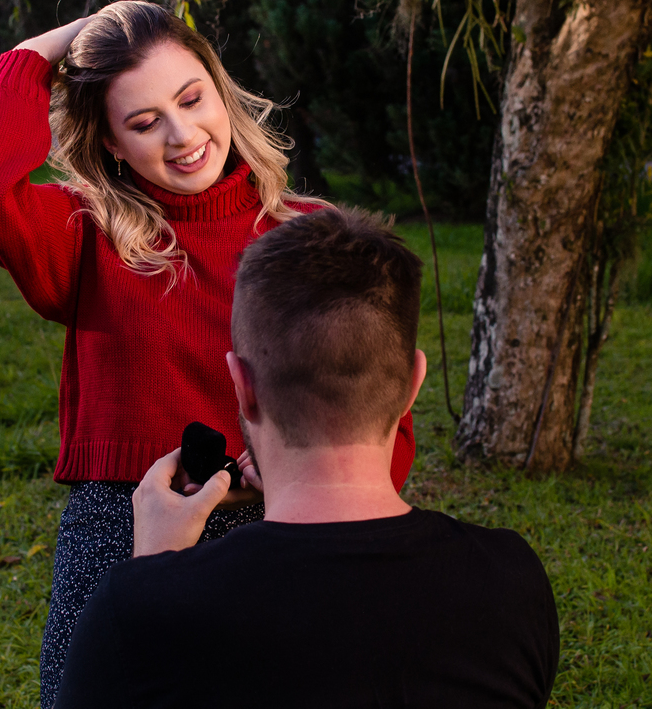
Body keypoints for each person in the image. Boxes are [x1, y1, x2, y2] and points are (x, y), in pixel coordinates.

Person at [0, 1, 418, 707]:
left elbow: (378, 407)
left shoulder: (309, 234)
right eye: (144, 121)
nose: (183, 135)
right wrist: (53, 45)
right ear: (111, 143)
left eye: (191, 100)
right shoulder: (87, 236)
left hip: (283, 523)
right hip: (122, 526)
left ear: (221, 91)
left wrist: (299, 480)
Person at [54, 207, 560, 709]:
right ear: (413, 384)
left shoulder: (139, 607)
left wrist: (151, 576)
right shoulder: (513, 581)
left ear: (242, 387)